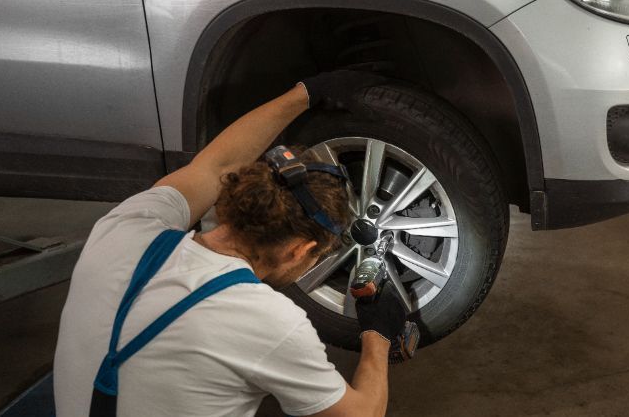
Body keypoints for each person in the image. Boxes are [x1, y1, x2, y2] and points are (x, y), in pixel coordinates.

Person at [53, 71, 407, 417]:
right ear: (299, 249)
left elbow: (214, 165)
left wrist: (306, 93)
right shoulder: (268, 322)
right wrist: (378, 334)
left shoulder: (125, 227)